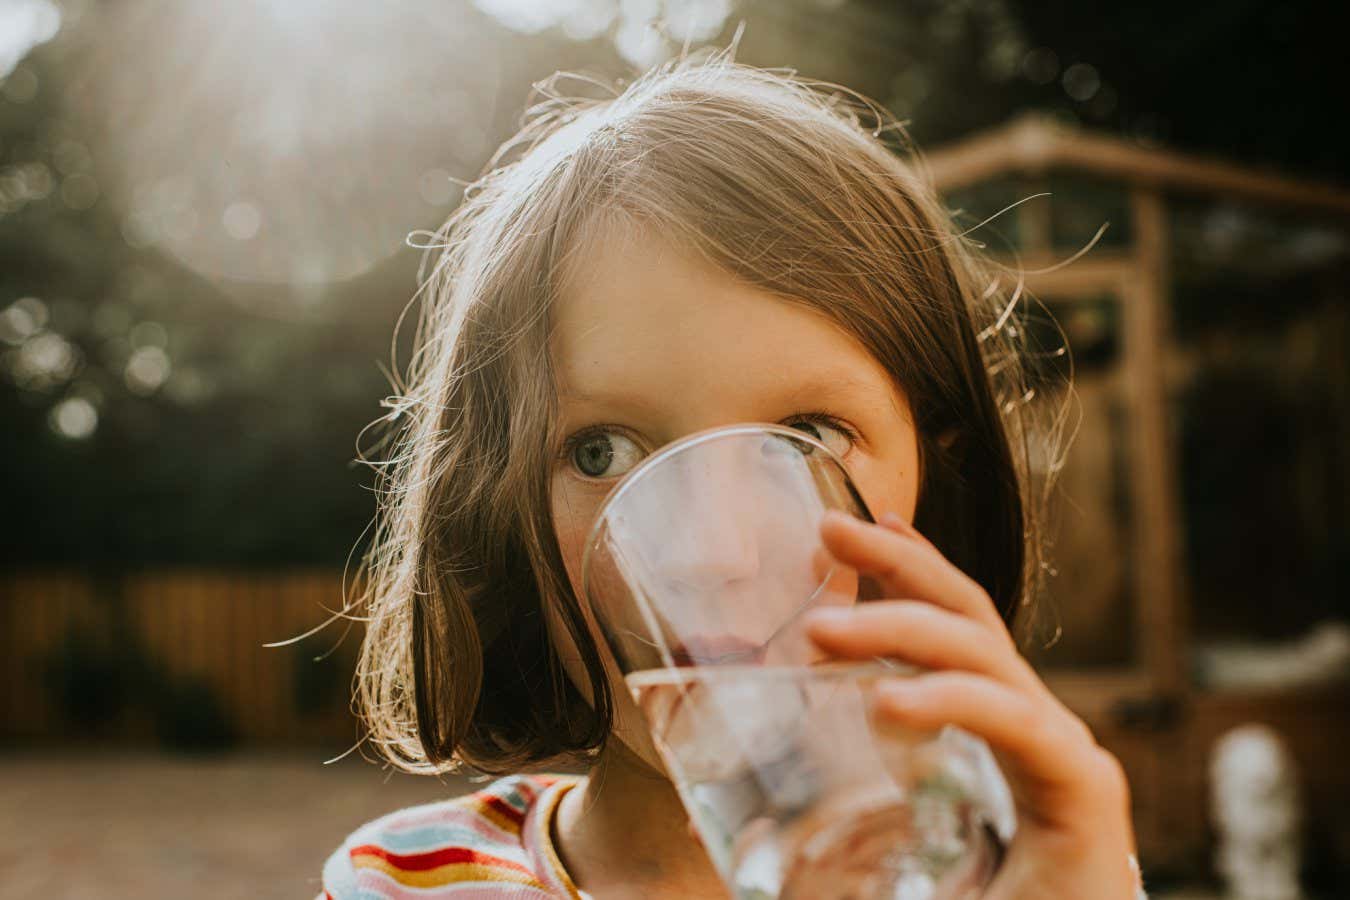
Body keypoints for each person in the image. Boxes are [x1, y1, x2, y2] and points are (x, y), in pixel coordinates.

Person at [316, 47, 1144, 900]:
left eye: (805, 437)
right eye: (603, 452)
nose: (712, 552)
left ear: (936, 466)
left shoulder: (1021, 877)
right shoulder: (404, 889)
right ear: (500, 510)